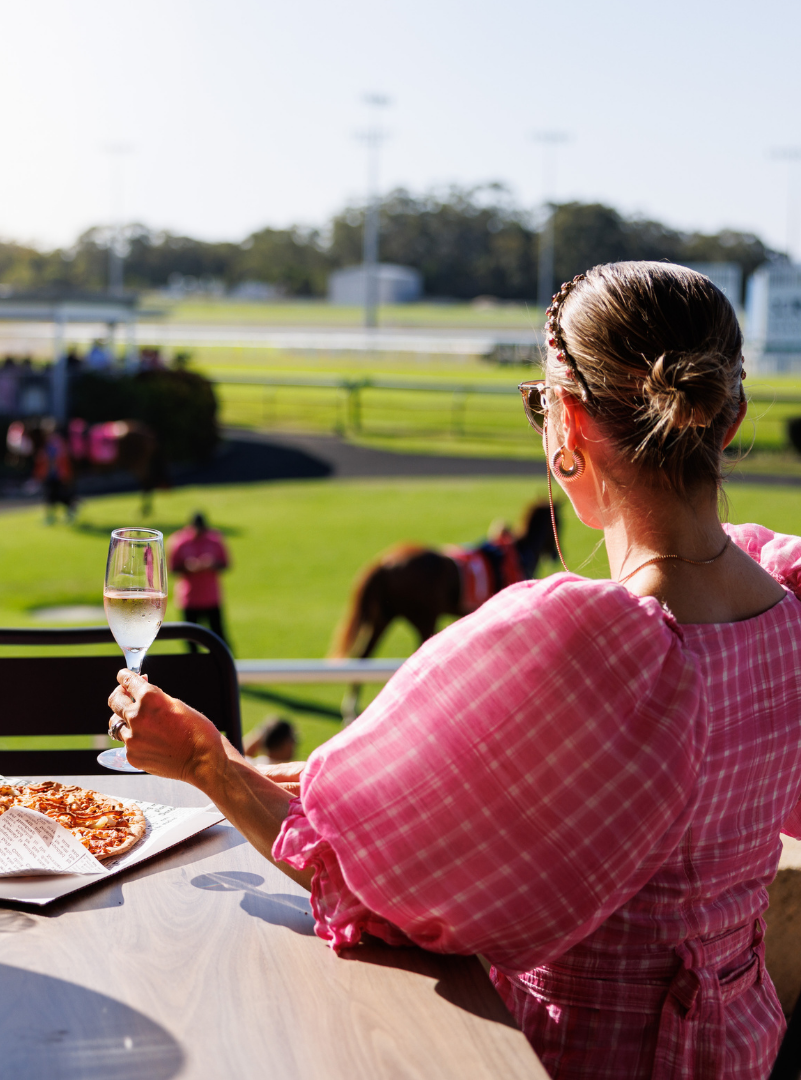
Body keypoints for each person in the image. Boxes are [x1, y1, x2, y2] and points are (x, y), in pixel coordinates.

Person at [108, 262, 801, 1079]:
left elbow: (365, 877)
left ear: (569, 421)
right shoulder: (784, 607)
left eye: (541, 402)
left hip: (571, 1056)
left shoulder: (598, 645)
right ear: (729, 422)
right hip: (744, 1046)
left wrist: (207, 763)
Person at [167, 512, 231, 647]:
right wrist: (188, 567)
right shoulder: (180, 541)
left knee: (219, 637)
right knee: (191, 640)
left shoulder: (215, 540)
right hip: (190, 598)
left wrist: (212, 564)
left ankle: (223, 666)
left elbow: (225, 564)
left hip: (211, 597)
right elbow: (173, 568)